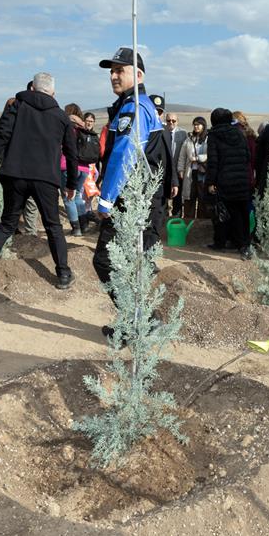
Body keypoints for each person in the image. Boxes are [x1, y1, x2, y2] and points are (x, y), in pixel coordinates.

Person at [93, 46, 175, 336]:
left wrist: (106, 200)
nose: (113, 76)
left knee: (107, 259)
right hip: (141, 198)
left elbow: (125, 153)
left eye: (120, 70)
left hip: (131, 200)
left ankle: (141, 321)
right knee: (128, 263)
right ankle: (138, 322)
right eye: (111, 71)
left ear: (138, 75)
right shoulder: (138, 105)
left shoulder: (134, 108)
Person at [0, 72, 78, 289]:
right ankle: (63, 274)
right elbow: (71, 153)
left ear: (32, 88)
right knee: (53, 225)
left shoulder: (17, 107)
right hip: (46, 179)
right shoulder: (61, 116)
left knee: (7, 224)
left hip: (15, 175)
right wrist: (71, 184)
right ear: (53, 92)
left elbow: (1, 136)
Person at [206, 108, 253, 258]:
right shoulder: (239, 133)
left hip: (224, 180)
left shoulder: (214, 135)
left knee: (223, 212)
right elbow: (248, 156)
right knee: (242, 213)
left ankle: (221, 242)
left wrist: (210, 182)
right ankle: (244, 244)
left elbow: (213, 161)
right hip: (242, 180)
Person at [60, 103, 90, 236]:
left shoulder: (67, 127)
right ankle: (84, 225)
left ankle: (76, 228)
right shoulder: (83, 128)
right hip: (84, 167)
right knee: (77, 195)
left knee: (68, 197)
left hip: (67, 165)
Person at [178, 116, 209, 219]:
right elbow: (182, 156)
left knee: (202, 199)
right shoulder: (189, 139)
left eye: (198, 124)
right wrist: (180, 169)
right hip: (190, 173)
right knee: (189, 198)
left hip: (203, 173)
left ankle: (201, 223)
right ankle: (188, 222)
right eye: (194, 125)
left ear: (203, 125)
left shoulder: (208, 139)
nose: (196, 126)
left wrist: (198, 158)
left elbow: (211, 154)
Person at [164, 112, 187, 216]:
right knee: (164, 197)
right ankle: (164, 219)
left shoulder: (183, 133)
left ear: (177, 121)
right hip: (165, 170)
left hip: (178, 170)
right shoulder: (161, 132)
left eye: (173, 120)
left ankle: (176, 219)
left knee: (177, 198)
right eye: (168, 120)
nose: (171, 123)